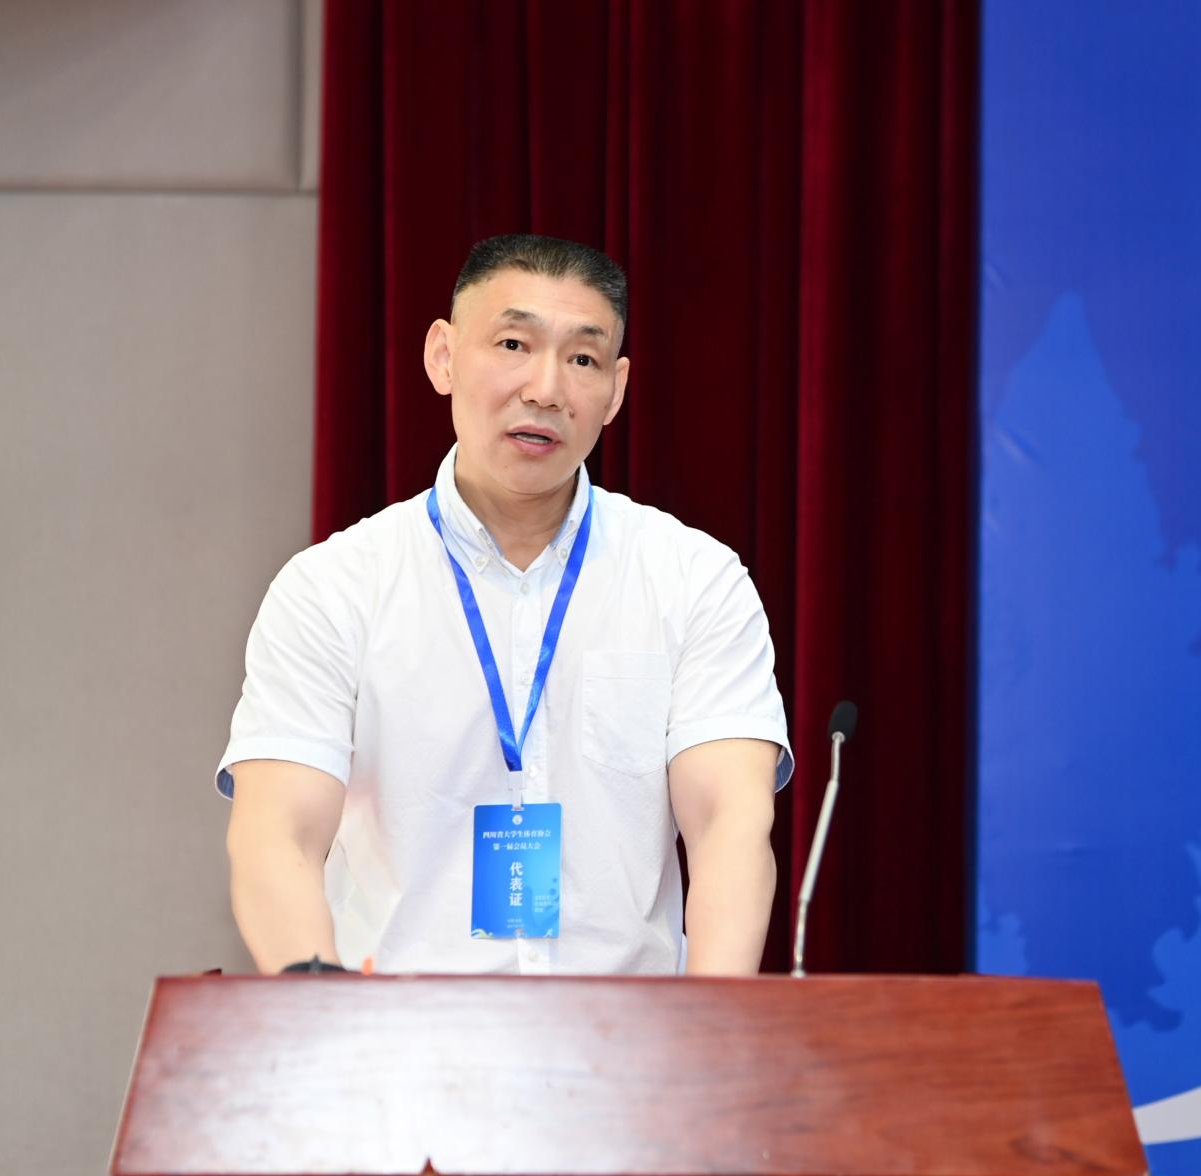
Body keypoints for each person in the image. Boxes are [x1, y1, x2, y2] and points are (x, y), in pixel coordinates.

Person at [218, 233, 792, 977]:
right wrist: (319, 1014)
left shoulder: (694, 580)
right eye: (514, 344)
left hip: (629, 1035)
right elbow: (279, 834)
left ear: (616, 390)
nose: (546, 389)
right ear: (443, 356)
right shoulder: (332, 587)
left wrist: (712, 1029)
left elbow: (729, 826)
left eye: (582, 359)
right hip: (399, 1032)